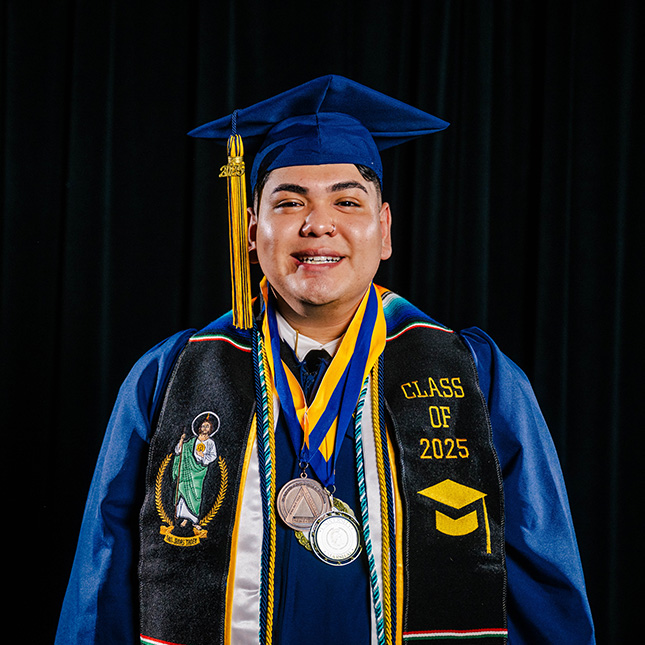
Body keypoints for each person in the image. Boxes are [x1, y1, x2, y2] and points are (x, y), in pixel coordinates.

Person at [56, 75, 595, 644]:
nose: (318, 223)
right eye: (289, 202)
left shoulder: (478, 378)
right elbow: (103, 585)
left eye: (346, 201)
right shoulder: (170, 377)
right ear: (250, 231)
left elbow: (543, 585)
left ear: (383, 230)